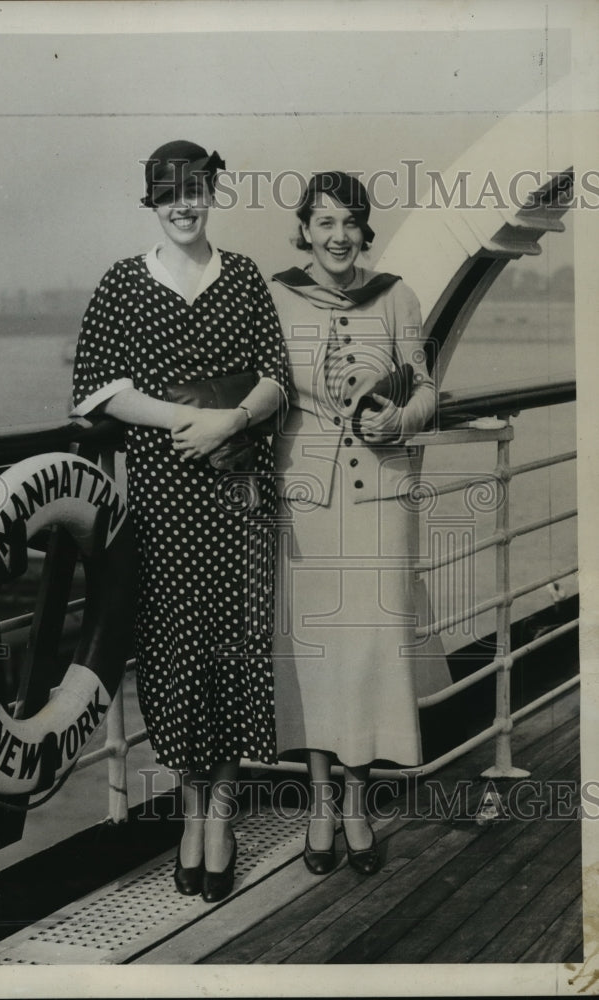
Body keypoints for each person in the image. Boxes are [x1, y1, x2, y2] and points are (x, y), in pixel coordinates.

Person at [71, 140, 288, 902]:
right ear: (152, 203)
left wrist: (229, 422)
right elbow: (98, 391)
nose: (183, 205)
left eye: (195, 190)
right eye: (169, 194)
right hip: (164, 508)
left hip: (236, 502)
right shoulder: (125, 284)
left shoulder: (244, 279)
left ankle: (216, 824)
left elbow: (275, 381)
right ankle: (189, 816)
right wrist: (182, 422)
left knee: (233, 655)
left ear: (212, 193)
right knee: (174, 659)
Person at [270, 171, 447, 877]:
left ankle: (355, 800)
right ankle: (318, 800)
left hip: (380, 498)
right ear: (304, 231)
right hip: (307, 501)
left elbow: (426, 385)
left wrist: (398, 417)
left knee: (370, 654)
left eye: (349, 223)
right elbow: (259, 390)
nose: (337, 236)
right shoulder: (276, 297)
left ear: (363, 230)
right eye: (324, 223)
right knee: (316, 658)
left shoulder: (397, 295)